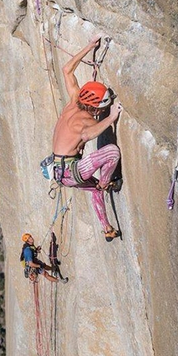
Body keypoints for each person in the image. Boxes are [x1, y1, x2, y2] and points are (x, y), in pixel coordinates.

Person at [52, 35, 123, 241]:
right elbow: (88, 134)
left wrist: (89, 46)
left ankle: (107, 229)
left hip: (60, 171)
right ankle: (104, 183)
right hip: (71, 170)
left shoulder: (74, 101)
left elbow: (67, 70)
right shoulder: (83, 121)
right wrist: (112, 116)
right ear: (96, 106)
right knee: (112, 152)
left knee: (94, 191)